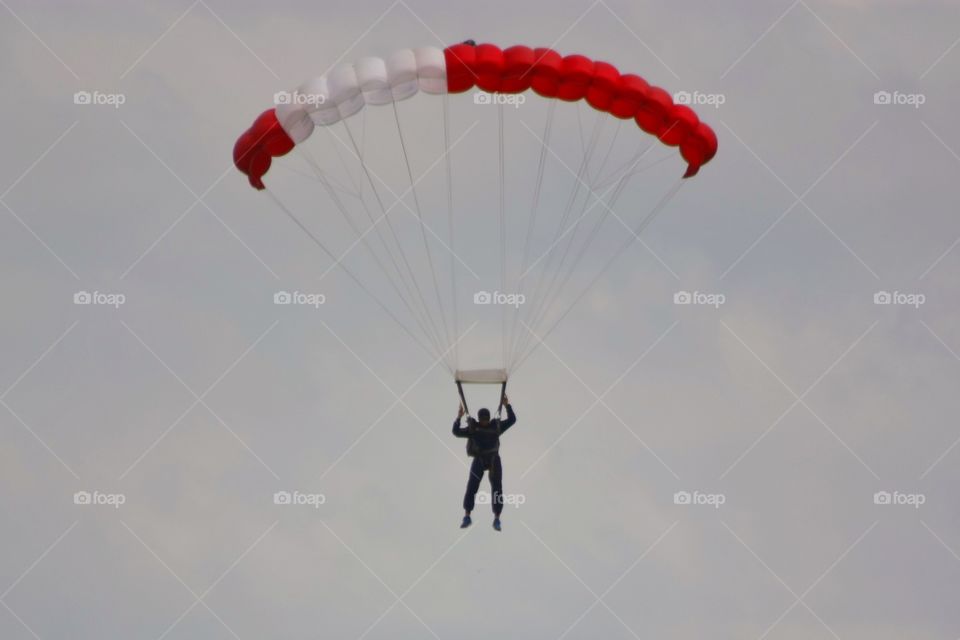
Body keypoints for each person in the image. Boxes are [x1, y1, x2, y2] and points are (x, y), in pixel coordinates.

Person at [452, 394, 517, 531]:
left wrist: (507, 405)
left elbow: (512, 420)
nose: (485, 422)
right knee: (472, 485)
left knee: (497, 487)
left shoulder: (496, 427)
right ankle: (467, 515)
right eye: (483, 420)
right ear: (480, 419)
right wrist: (459, 417)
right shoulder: (473, 429)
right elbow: (456, 432)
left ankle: (497, 518)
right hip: (480, 459)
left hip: (493, 458)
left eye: (486, 420)